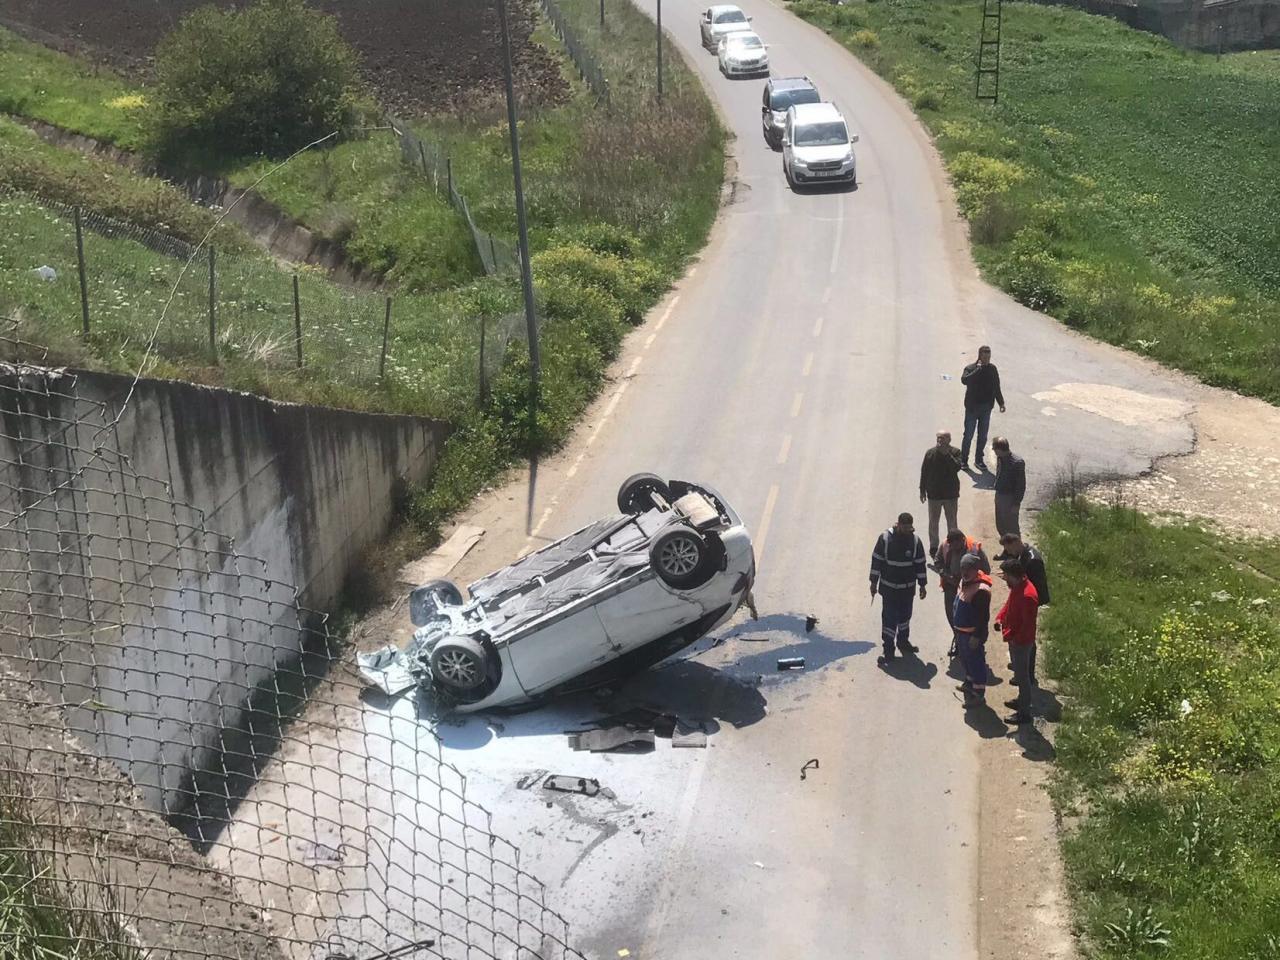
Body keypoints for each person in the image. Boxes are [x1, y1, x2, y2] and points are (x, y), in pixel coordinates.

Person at [870, 512, 928, 666]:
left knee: (905, 618)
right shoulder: (885, 539)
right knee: (889, 619)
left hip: (907, 590)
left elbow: (920, 564)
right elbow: (877, 561)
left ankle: (903, 642)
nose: (908, 530)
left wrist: (923, 585)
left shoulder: (915, 541)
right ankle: (888, 650)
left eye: (910, 527)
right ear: (898, 524)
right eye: (905, 527)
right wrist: (873, 583)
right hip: (889, 589)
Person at [998, 533, 1049, 685]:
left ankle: (1027, 673)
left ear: (1016, 542)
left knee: (1026, 637)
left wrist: (1014, 581)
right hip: (1022, 598)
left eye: (1010, 549)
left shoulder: (1033, 560)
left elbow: (1034, 586)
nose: (1010, 553)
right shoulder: (1023, 554)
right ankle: (1018, 663)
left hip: (1029, 602)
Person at [995, 559, 1039, 725]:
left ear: (1013, 576)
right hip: (1014, 639)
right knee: (1020, 676)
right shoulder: (1018, 587)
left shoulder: (1028, 595)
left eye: (1006, 577)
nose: (1005, 580)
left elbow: (1026, 626)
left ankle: (1024, 713)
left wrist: (1012, 637)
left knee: (1023, 678)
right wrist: (1000, 618)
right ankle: (1021, 701)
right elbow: (1009, 605)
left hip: (1021, 642)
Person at [934, 528, 990, 647]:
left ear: (963, 540)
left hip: (970, 588)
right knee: (951, 614)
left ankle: (975, 639)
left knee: (973, 615)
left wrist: (970, 579)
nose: (954, 548)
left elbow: (986, 570)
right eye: (951, 545)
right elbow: (937, 562)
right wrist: (947, 576)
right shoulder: (945, 545)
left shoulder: (974, 549)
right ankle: (959, 640)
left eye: (957, 544)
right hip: (951, 586)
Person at [951, 554, 993, 709]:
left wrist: (977, 636)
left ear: (976, 569)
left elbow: (983, 617)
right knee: (966, 661)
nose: (964, 572)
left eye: (968, 569)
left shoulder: (981, 590)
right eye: (963, 568)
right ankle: (969, 684)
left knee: (976, 663)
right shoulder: (965, 582)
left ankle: (978, 694)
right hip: (961, 633)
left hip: (972, 635)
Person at [960, 345, 1006, 471]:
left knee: (983, 436)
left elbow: (997, 387)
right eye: (985, 356)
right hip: (972, 408)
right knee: (968, 435)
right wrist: (977, 370)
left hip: (986, 408)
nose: (987, 359)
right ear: (979, 355)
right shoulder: (970, 368)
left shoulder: (992, 369)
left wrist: (1001, 403)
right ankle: (963, 460)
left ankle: (978, 460)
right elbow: (964, 381)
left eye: (989, 357)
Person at [919, 430, 963, 556]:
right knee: (933, 522)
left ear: (949, 439)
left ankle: (954, 544)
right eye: (938, 438)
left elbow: (957, 467)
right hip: (934, 495)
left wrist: (946, 455)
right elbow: (924, 472)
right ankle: (934, 546)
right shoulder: (930, 453)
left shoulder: (955, 452)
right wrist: (922, 490)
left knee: (952, 522)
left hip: (950, 495)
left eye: (943, 438)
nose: (940, 440)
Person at [991, 437, 1026, 543]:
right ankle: (1007, 551)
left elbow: (1021, 485)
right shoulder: (1000, 458)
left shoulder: (1017, 462)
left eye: (995, 449)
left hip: (1009, 498)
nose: (994, 452)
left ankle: (1017, 553)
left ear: (999, 449)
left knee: (1012, 528)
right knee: (1001, 525)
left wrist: (1016, 503)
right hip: (1000, 495)